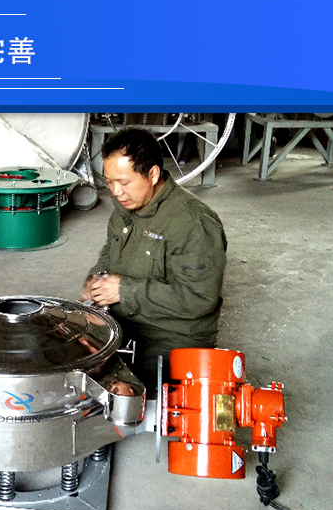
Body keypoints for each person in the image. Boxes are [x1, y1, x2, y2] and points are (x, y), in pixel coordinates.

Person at [81, 127, 227, 391]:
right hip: (121, 319)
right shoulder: (126, 207)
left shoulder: (193, 222)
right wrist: (96, 284)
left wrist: (124, 290)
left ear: (153, 174)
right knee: (61, 353)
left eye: (124, 182)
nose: (116, 191)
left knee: (129, 391)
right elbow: (110, 252)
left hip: (171, 335)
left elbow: (199, 298)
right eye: (109, 181)